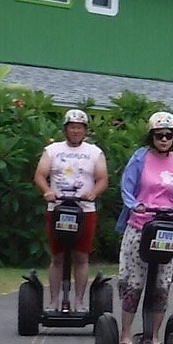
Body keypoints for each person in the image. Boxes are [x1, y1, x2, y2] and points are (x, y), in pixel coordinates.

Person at [114, 110, 173, 344]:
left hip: (167, 230)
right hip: (141, 226)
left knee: (161, 285)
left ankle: (155, 336)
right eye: (159, 135)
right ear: (151, 136)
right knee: (135, 283)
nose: (164, 139)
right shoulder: (140, 159)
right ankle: (126, 334)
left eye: (168, 135)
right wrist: (134, 205)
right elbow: (127, 187)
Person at [33, 108, 108, 313]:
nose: (76, 131)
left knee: (81, 257)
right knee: (57, 256)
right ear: (66, 130)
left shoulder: (94, 152)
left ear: (85, 131)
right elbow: (40, 174)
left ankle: (79, 301)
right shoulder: (53, 150)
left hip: (84, 210)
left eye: (79, 128)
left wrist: (93, 193)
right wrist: (47, 191)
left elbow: (102, 179)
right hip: (58, 208)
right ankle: (54, 301)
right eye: (72, 127)